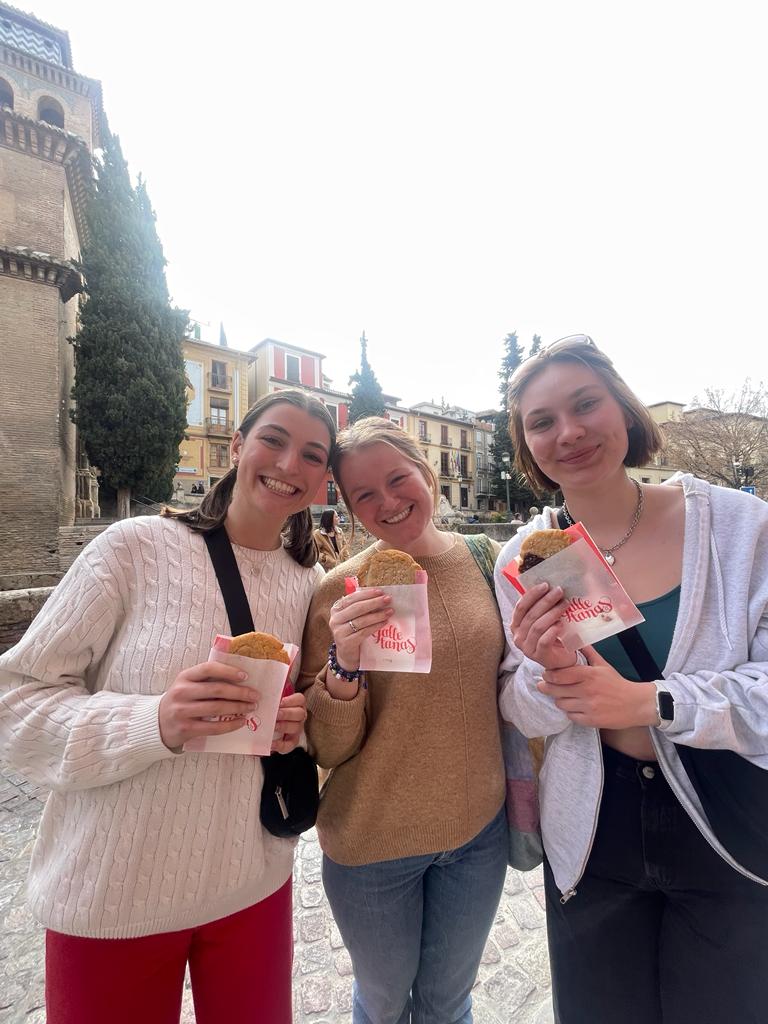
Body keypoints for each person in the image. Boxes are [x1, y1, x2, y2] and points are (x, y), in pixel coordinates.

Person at [0, 389, 337, 1024]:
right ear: (236, 448)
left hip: (254, 886)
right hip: (112, 896)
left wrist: (296, 728)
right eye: (274, 440)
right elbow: (15, 701)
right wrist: (155, 721)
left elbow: (302, 724)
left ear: (323, 480)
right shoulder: (134, 549)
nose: (290, 464)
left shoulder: (307, 584)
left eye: (313, 455)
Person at [494, 335, 768, 1024]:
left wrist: (652, 701)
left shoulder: (741, 527)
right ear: (528, 446)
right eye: (542, 422)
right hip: (592, 830)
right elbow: (523, 709)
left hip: (726, 818)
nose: (571, 431)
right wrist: (549, 672)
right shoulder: (525, 556)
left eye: (586, 403)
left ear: (624, 406)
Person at [298, 416, 508, 1024]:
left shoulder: (486, 561)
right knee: (384, 1003)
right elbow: (327, 749)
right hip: (372, 847)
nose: (387, 502)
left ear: (427, 472)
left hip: (477, 837)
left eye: (398, 478)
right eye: (365, 494)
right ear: (349, 505)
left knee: (449, 1003)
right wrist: (345, 661)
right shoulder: (340, 591)